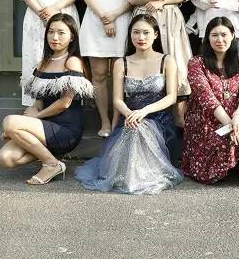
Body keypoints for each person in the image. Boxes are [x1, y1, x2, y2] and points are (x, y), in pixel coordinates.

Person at [74, 14, 183, 195]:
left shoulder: (167, 61)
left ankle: (144, 176)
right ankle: (129, 177)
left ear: (156, 35)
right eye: (136, 32)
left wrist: (144, 111)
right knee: (135, 128)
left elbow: (171, 97)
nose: (141, 37)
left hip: (160, 121)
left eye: (146, 33)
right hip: (129, 118)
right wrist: (130, 114)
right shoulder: (121, 63)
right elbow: (117, 100)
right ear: (130, 34)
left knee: (141, 128)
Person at [0, 14, 93, 184]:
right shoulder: (43, 63)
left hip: (65, 129)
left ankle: (50, 164)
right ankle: (51, 157)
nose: (55, 37)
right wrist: (25, 120)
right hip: (43, 127)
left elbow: (64, 103)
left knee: (9, 121)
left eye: (61, 33)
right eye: (51, 32)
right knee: (6, 158)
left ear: (72, 37)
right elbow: (38, 103)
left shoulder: (72, 62)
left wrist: (31, 119)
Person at [182, 17, 239, 184]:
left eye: (224, 35)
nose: (219, 40)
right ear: (207, 38)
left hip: (236, 118)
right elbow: (207, 99)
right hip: (206, 120)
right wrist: (230, 126)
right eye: (214, 35)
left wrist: (238, 116)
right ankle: (225, 167)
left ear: (233, 36)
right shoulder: (196, 63)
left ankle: (235, 165)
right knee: (224, 143)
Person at [77, 0, 133, 137]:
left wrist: (114, 16)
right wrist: (104, 18)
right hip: (95, 22)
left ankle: (118, 121)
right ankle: (105, 121)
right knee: (99, 75)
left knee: (120, 74)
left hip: (122, 20)